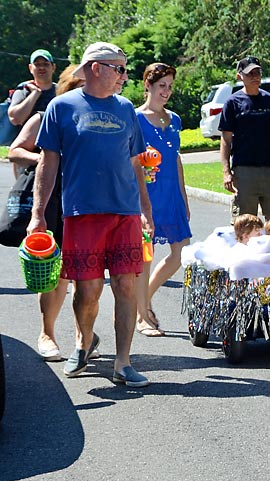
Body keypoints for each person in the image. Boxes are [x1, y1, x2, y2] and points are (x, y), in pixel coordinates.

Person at [27, 41, 154, 388]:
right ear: (96, 68)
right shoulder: (61, 107)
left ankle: (123, 363)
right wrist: (38, 214)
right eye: (120, 69)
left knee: (126, 286)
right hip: (82, 214)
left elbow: (135, 162)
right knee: (88, 291)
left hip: (124, 212)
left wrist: (145, 209)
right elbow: (47, 162)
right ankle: (85, 341)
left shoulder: (127, 109)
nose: (125, 77)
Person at [8, 65, 83, 362]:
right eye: (79, 85)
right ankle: (47, 333)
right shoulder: (45, 116)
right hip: (53, 198)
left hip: (84, 200)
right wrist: (46, 157)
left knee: (84, 275)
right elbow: (14, 150)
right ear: (67, 87)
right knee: (54, 272)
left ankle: (83, 334)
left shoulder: (94, 116)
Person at [134, 62, 192, 337]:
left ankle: (143, 301)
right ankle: (142, 316)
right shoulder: (134, 119)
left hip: (172, 195)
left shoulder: (175, 119)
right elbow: (127, 158)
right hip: (146, 195)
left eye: (170, 86)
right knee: (145, 256)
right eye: (161, 86)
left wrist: (184, 196)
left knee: (180, 252)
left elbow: (177, 160)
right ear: (147, 86)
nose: (166, 91)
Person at [219, 56, 270, 222]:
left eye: (257, 72)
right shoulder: (232, 103)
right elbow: (226, 140)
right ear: (240, 76)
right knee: (245, 226)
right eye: (250, 73)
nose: (255, 76)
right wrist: (227, 172)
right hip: (244, 171)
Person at [7, 49, 57, 127]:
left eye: (46, 64)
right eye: (37, 64)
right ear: (30, 68)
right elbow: (15, 119)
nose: (41, 68)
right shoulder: (23, 90)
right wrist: (34, 94)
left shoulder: (62, 90)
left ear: (53, 67)